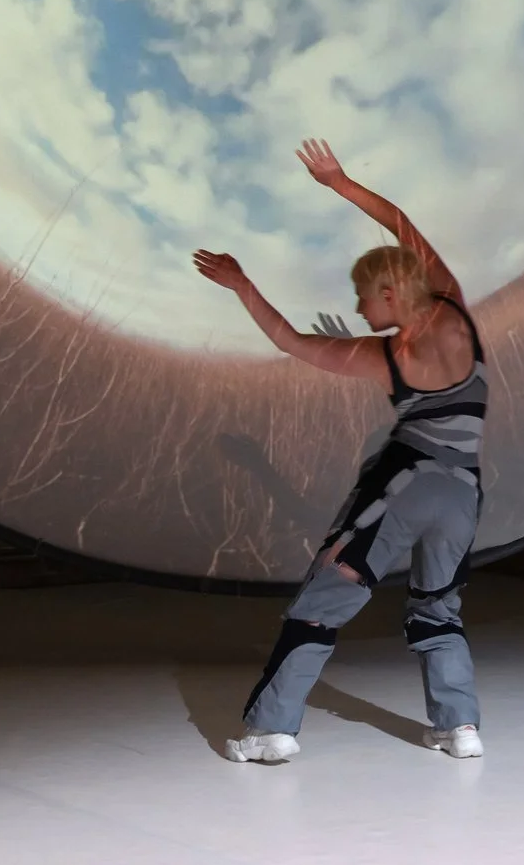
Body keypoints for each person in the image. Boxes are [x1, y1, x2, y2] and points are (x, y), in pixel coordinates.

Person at [193, 138, 488, 763]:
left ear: (390, 292)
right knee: (438, 606)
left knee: (321, 604)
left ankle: (272, 731)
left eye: (364, 294)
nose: (357, 306)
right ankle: (459, 726)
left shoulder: (384, 355)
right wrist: (340, 182)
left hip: (401, 488)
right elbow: (401, 224)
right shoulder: (452, 307)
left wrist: (241, 284)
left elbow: (288, 340)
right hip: (463, 494)